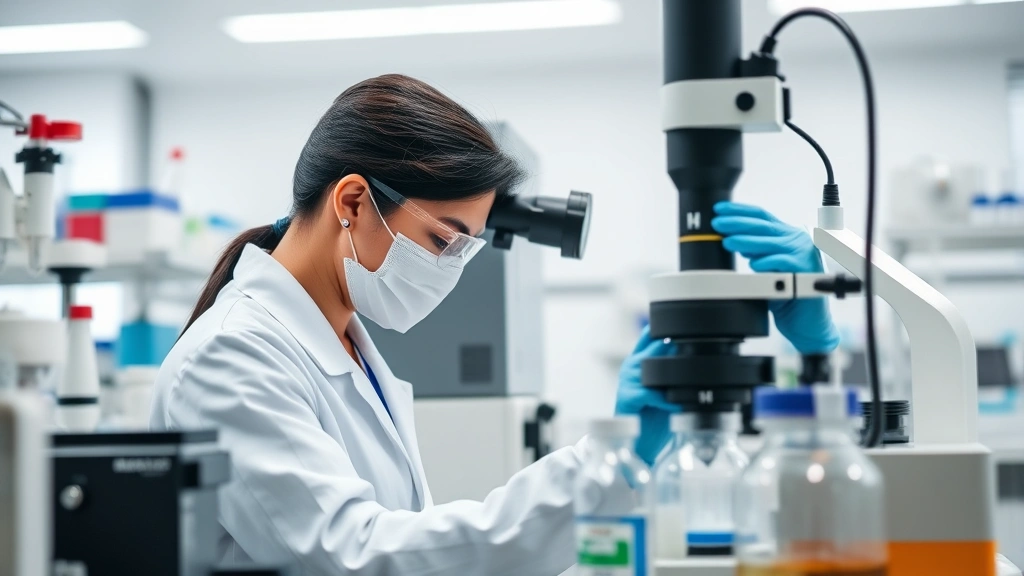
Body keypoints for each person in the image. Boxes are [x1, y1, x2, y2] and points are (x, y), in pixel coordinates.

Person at [150, 74, 839, 575]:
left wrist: (620, 461)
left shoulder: (347, 347)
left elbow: (415, 545)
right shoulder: (234, 355)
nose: (450, 266)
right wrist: (599, 464)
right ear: (354, 201)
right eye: (445, 239)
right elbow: (356, 557)